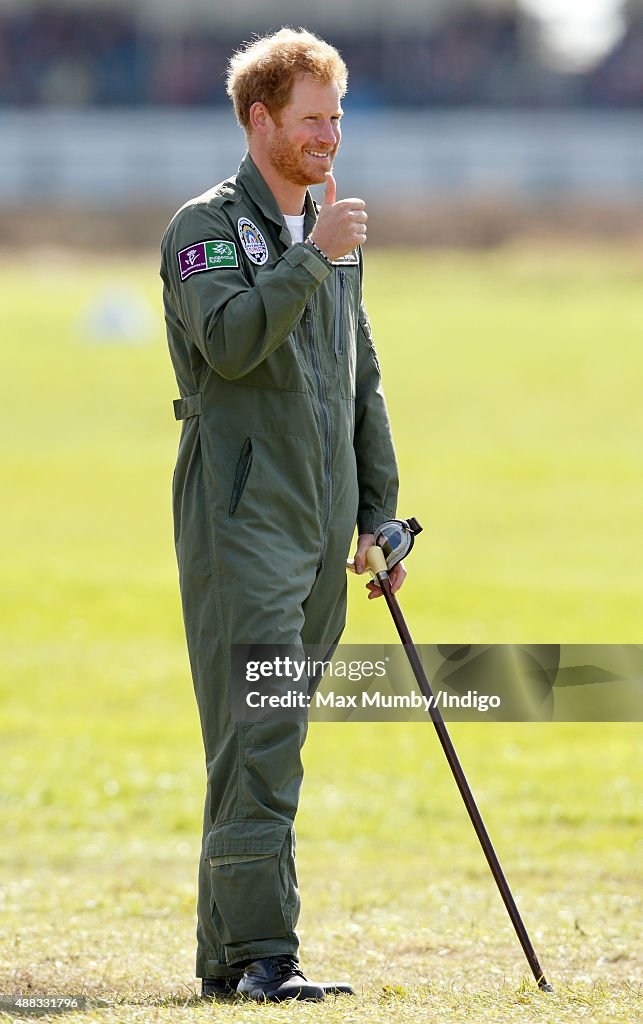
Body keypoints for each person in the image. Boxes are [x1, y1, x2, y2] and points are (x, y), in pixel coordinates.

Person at [160, 27, 404, 1003]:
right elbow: (227, 343)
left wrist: (381, 515)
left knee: (261, 738)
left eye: (337, 117)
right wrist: (311, 259)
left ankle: (229, 959)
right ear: (260, 120)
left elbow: (361, 382)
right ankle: (270, 952)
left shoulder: (331, 234)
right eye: (313, 118)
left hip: (320, 527)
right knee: (262, 731)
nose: (330, 137)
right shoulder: (202, 230)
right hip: (239, 519)